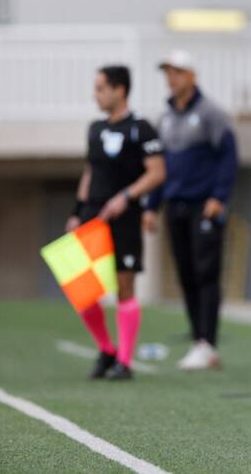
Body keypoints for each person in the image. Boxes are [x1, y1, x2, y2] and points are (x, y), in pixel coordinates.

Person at [66, 65, 165, 380]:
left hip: (125, 217)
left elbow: (157, 172)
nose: (95, 95)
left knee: (124, 285)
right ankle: (106, 349)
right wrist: (76, 211)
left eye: (100, 88)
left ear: (119, 90)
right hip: (92, 215)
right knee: (81, 288)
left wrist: (126, 197)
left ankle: (125, 360)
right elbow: (90, 171)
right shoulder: (94, 128)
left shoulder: (141, 128)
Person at [143, 50, 238, 371]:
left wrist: (219, 196)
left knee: (205, 272)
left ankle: (206, 343)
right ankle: (199, 337)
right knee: (185, 274)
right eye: (168, 73)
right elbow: (160, 166)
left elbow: (228, 156)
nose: (172, 79)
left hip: (204, 205)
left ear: (192, 76)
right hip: (177, 204)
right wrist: (152, 206)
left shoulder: (211, 113)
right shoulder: (166, 118)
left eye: (177, 72)